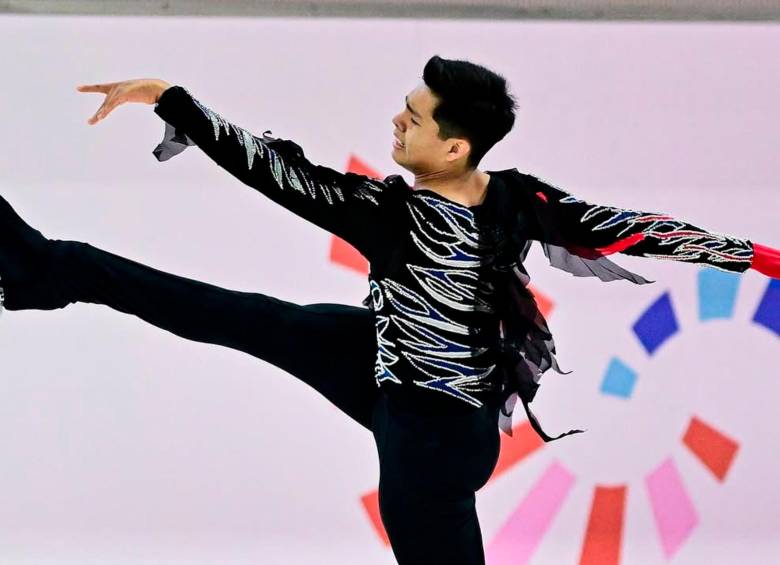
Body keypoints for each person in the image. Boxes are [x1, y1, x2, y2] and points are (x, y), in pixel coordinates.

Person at [1, 55, 777, 564]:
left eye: (414, 115)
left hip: (432, 443)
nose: (398, 119)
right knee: (246, 316)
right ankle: (48, 267)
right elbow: (273, 170)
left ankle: (50, 268)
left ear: (455, 148)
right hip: (384, 362)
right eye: (405, 104)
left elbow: (636, 230)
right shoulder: (506, 197)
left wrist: (760, 258)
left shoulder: (434, 211)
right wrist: (168, 98)